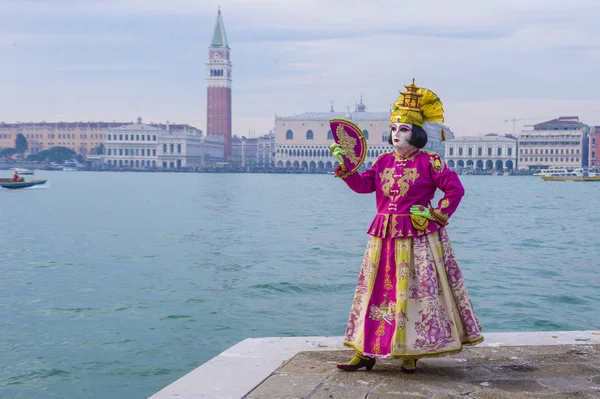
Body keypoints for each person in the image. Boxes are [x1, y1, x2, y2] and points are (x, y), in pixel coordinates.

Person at [330, 79, 483, 373]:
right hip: (382, 238)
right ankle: (366, 351)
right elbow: (365, 186)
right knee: (375, 292)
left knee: (413, 293)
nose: (396, 133)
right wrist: (348, 172)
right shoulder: (383, 160)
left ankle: (410, 351)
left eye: (404, 129)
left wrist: (434, 216)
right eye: (394, 128)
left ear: (417, 134)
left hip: (418, 238)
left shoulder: (431, 162)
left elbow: (455, 191)